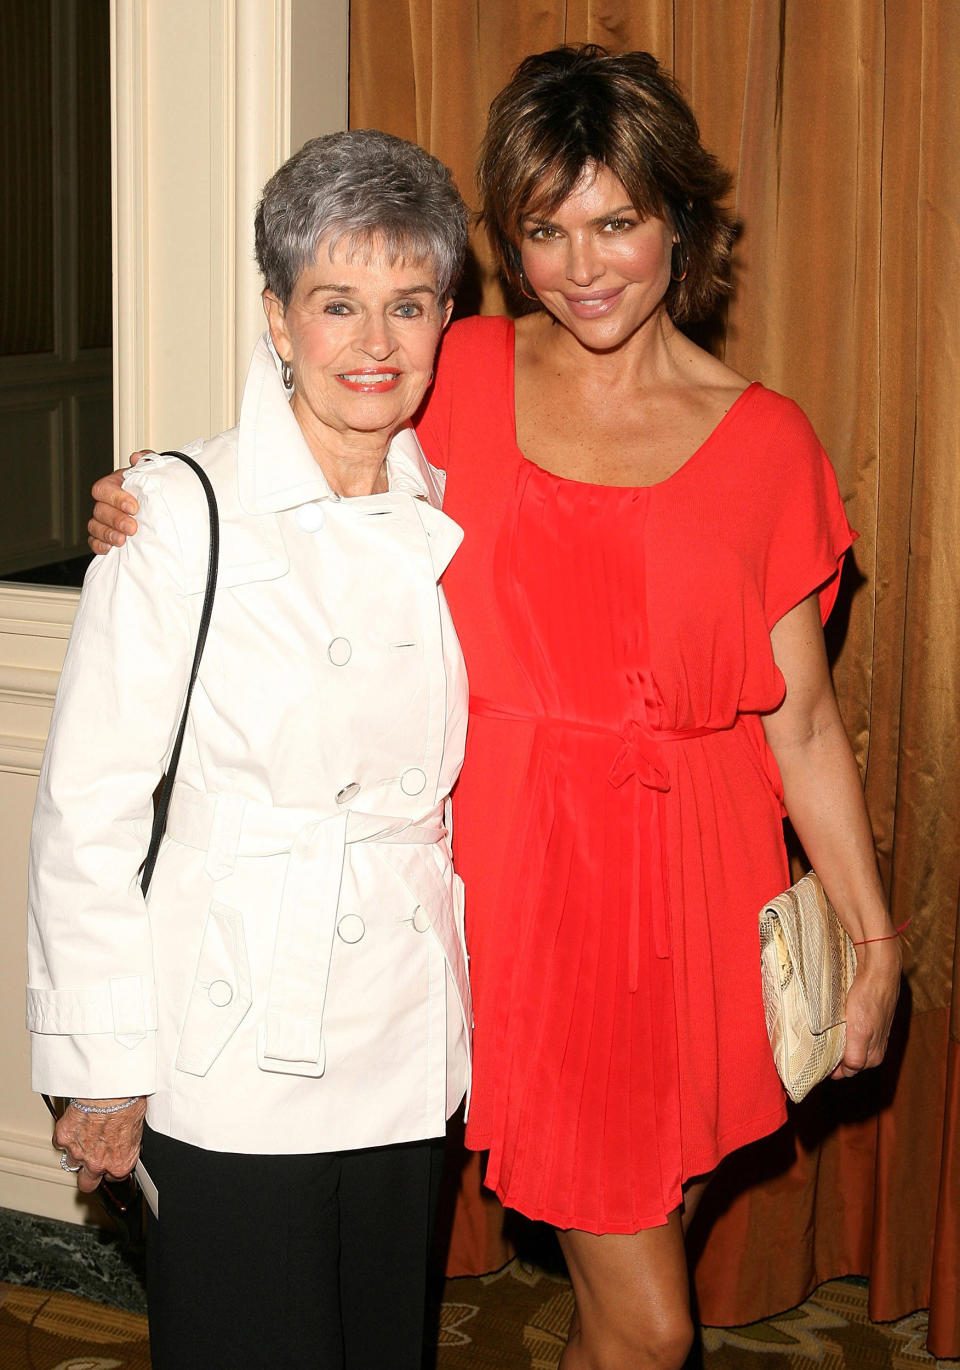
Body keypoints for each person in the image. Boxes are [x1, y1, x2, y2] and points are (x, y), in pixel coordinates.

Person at [87, 46, 902, 1370]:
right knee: (651, 1325)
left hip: (697, 885)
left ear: (680, 223)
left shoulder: (768, 441)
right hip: (532, 890)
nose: (582, 267)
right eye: (544, 230)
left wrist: (872, 933)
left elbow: (799, 721)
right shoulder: (456, 368)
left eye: (616, 222)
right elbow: (305, 442)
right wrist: (157, 490)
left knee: (623, 1294)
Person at [28, 129, 471, 1370]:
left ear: (445, 319)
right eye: (337, 304)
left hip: (401, 1033)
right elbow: (92, 806)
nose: (374, 344)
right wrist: (100, 1067)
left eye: (407, 304)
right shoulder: (178, 512)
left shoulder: (454, 505)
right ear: (278, 318)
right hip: (230, 1046)